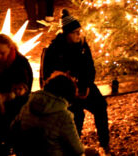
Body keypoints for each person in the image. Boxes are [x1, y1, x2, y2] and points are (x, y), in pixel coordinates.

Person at [39, 11, 110, 153]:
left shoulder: (83, 45)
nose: (79, 35)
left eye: (79, 31)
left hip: (83, 86)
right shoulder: (53, 50)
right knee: (76, 115)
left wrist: (87, 86)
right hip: (65, 92)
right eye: (75, 32)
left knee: (101, 106)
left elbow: (90, 68)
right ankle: (73, 148)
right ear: (66, 34)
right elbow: (48, 77)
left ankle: (104, 144)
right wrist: (71, 89)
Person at [10, 72, 98, 156]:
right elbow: (77, 150)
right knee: (92, 152)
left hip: (26, 153)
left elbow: (13, 128)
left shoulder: (29, 104)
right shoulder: (63, 116)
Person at [0, 33, 34, 124]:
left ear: (10, 48)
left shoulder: (21, 62)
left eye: (2, 53)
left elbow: (27, 86)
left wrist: (12, 94)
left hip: (16, 106)